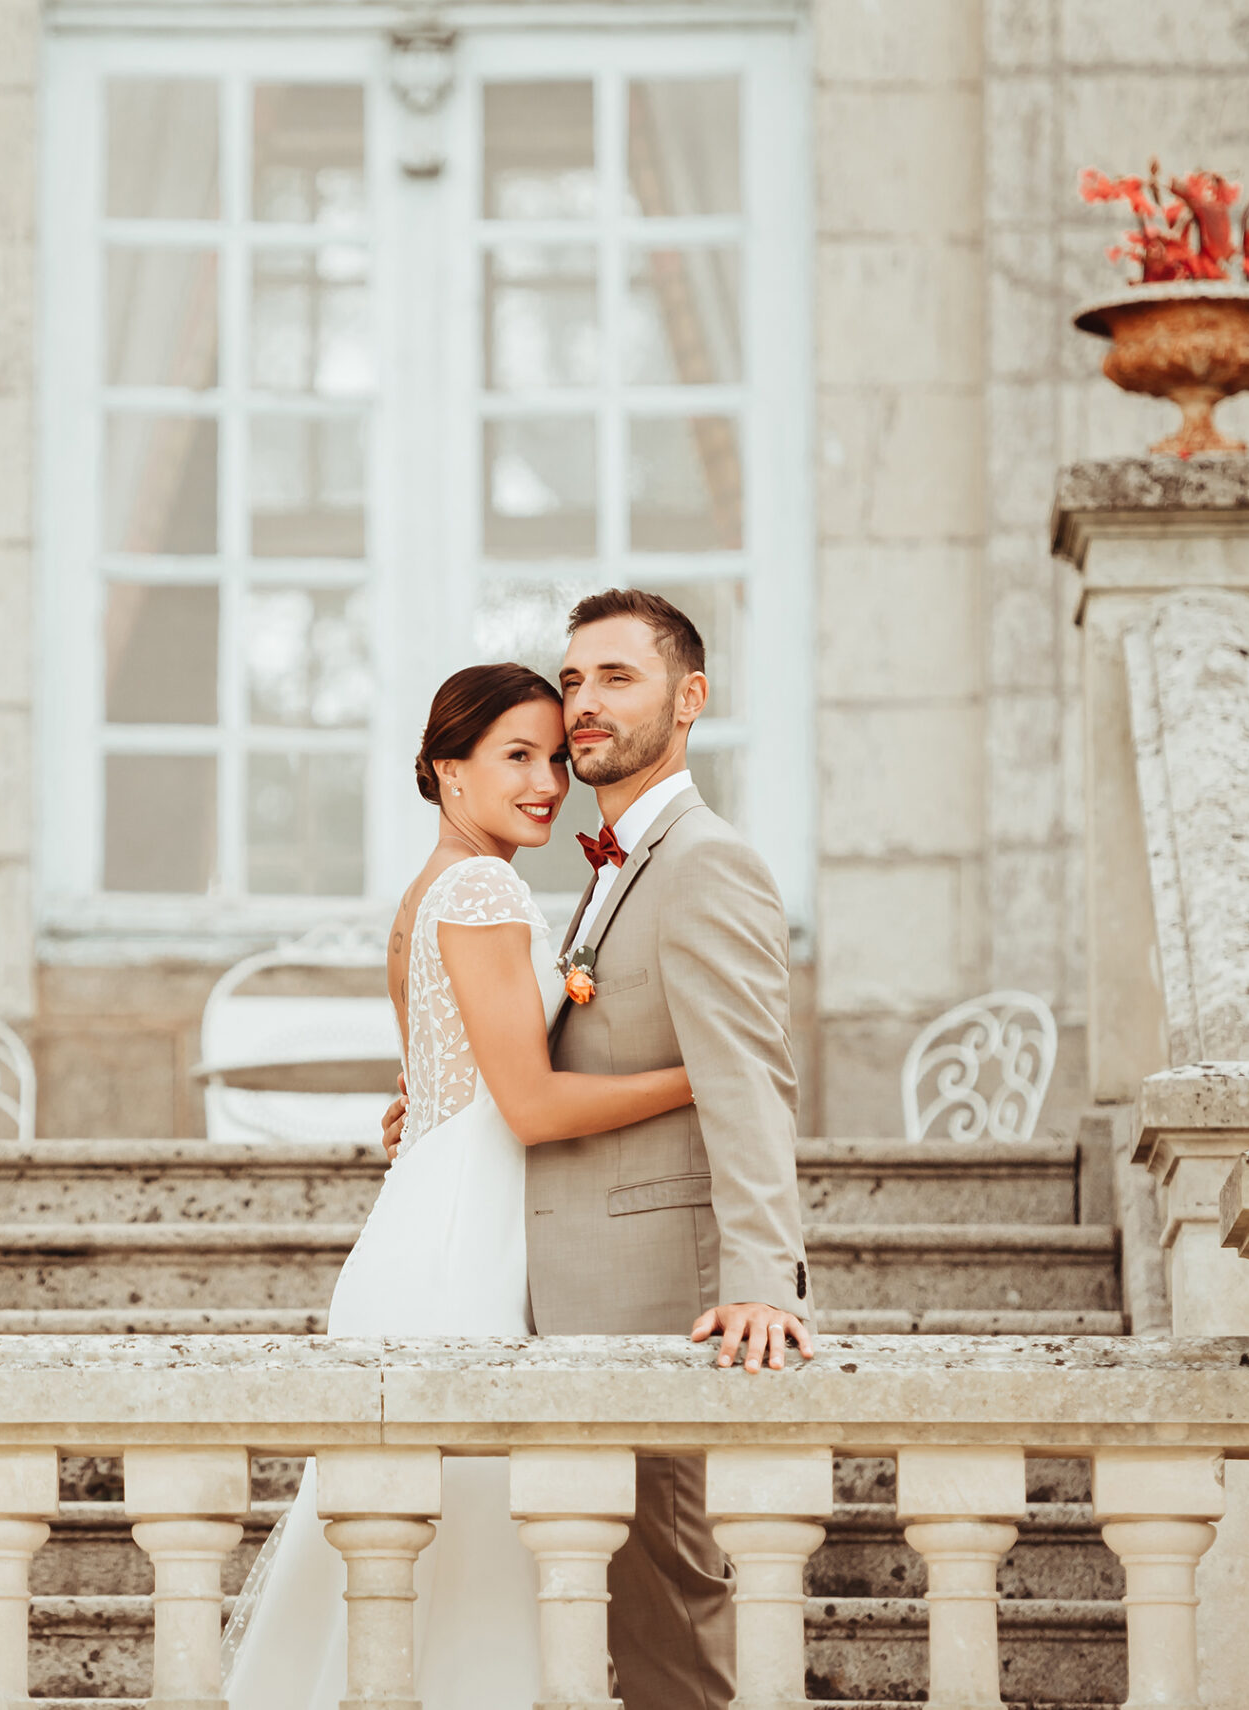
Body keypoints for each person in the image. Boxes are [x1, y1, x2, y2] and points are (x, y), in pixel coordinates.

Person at [221, 660, 698, 1710]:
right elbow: (525, 1105)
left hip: (432, 1225)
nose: (546, 782)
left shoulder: (429, 891)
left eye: (552, 757)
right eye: (513, 757)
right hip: (456, 1255)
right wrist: (700, 1077)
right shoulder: (482, 888)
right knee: (471, 1564)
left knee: (404, 1583)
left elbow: (434, 1091)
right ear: (447, 772)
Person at [378, 589, 814, 1710]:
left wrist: (764, 1280)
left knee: (669, 1607)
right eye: (571, 680)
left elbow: (752, 1081)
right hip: (543, 1278)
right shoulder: (590, 872)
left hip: (651, 1288)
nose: (582, 706)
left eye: (616, 677)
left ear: (689, 697)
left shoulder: (704, 861)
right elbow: (531, 1064)